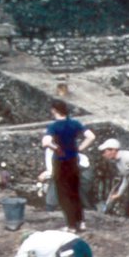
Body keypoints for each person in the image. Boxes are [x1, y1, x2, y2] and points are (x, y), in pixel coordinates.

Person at [42, 99, 95, 232]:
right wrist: (79, 149)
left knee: (63, 193)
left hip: (60, 161)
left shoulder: (54, 126)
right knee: (74, 191)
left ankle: (71, 225)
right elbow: (91, 136)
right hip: (73, 160)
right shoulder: (75, 123)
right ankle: (81, 222)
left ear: (54, 110)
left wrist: (56, 148)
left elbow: (45, 142)